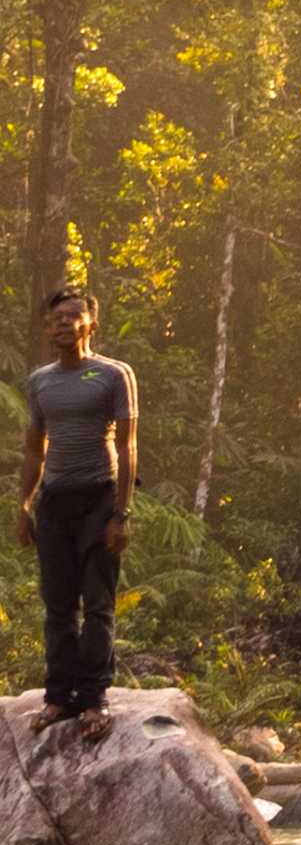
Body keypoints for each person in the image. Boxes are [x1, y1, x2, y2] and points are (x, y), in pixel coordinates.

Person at [16, 288, 137, 736]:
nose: (63, 323)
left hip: (99, 498)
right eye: (55, 318)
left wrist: (121, 514)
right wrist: (24, 505)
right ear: (47, 329)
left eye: (72, 315)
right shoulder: (41, 382)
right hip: (55, 502)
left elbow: (127, 446)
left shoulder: (113, 375)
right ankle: (57, 697)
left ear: (92, 324)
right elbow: (35, 449)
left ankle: (94, 699)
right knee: (58, 605)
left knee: (98, 603)